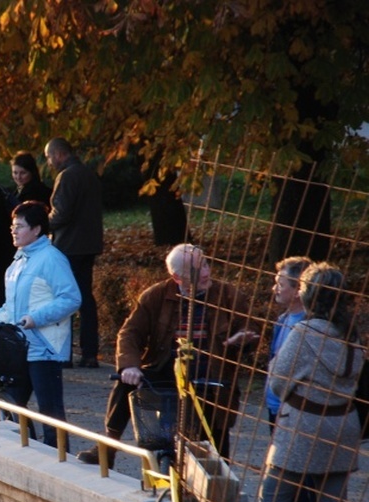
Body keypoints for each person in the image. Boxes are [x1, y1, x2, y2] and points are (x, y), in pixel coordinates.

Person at [75, 244, 259, 467]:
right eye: (196, 270)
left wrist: (244, 339)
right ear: (177, 277)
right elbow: (130, 332)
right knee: (126, 385)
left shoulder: (230, 296)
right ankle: (108, 446)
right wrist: (129, 366)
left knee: (217, 451)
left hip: (211, 375)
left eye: (206, 264)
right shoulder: (157, 295)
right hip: (166, 368)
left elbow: (250, 328)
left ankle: (218, 477)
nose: (206, 273)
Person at [260, 263, 364, 502]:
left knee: (275, 496)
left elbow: (278, 384)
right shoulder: (351, 335)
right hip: (343, 426)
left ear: (307, 295)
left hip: (303, 429)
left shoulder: (304, 333)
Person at [0, 201, 81, 448]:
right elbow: (9, 308)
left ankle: (61, 461)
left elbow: (71, 298)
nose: (13, 231)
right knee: (12, 405)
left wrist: (36, 318)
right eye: (13, 226)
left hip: (45, 347)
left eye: (19, 226)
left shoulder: (51, 259)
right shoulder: (17, 263)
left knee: (50, 411)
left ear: (36, 230)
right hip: (19, 348)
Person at [45, 138, 103, 367]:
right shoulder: (89, 174)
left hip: (69, 246)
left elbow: (61, 215)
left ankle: (64, 354)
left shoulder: (67, 176)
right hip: (89, 244)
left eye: (50, 157)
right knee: (86, 299)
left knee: (64, 299)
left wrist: (41, 221)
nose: (49, 162)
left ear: (59, 154)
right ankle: (90, 353)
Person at [265, 256, 313, 430]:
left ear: (299, 290)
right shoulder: (281, 321)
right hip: (274, 407)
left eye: (280, 284)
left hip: (293, 413)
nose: (274, 289)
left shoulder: (309, 328)